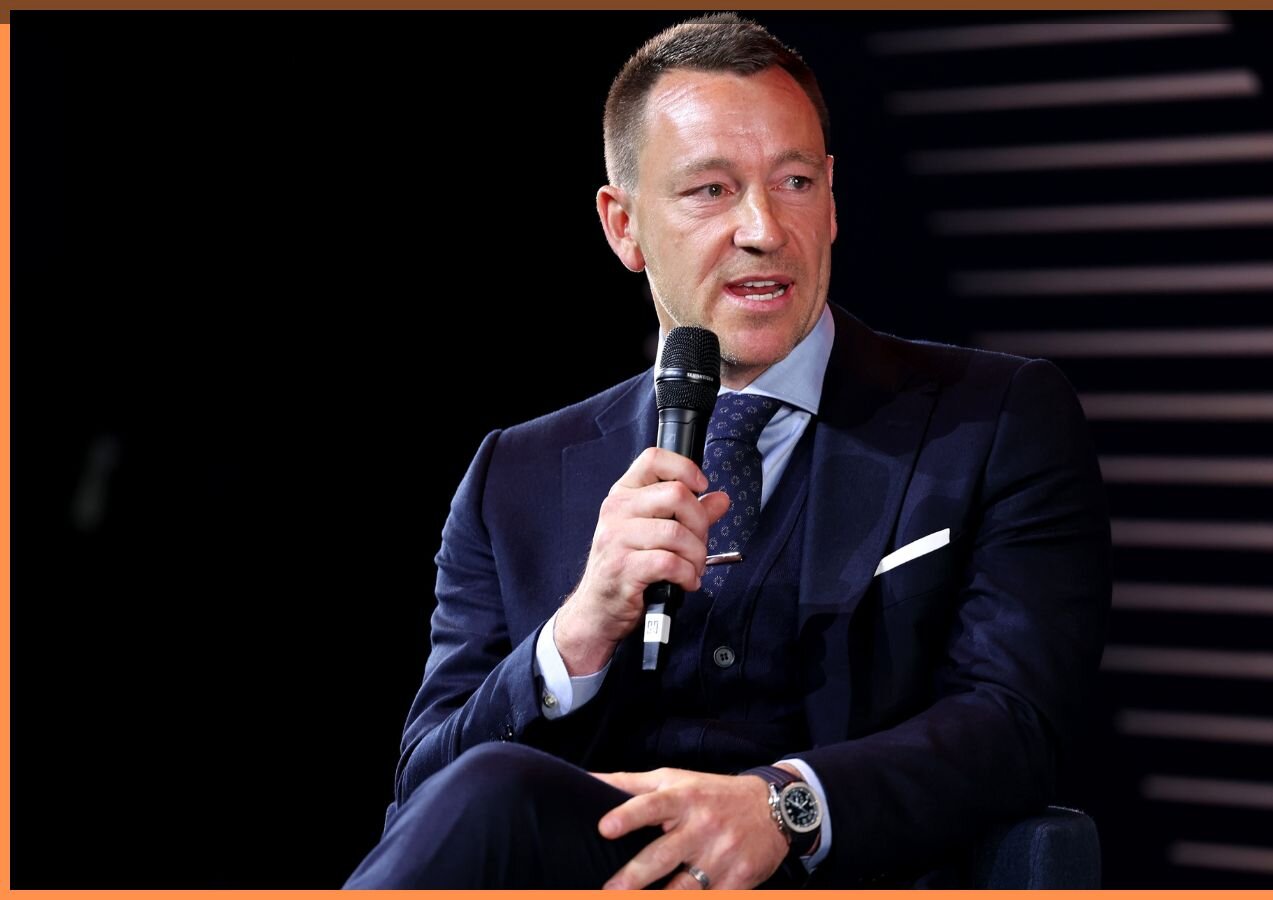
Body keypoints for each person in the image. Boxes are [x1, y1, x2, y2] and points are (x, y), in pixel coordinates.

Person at [345, 12, 1110, 890]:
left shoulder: (995, 418)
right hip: (594, 871)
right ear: (623, 226)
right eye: (711, 190)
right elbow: (427, 802)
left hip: (844, 874)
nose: (763, 228)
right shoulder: (512, 476)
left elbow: (1016, 720)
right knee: (491, 787)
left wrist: (783, 804)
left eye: (793, 182)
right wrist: (577, 632)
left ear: (832, 201)